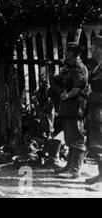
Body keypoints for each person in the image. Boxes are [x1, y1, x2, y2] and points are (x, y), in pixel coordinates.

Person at [54, 42, 89, 179]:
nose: (64, 53)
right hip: (69, 108)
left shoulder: (79, 68)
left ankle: (75, 170)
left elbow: (79, 87)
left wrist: (67, 95)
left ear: (72, 53)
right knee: (69, 137)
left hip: (77, 108)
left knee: (77, 138)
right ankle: (69, 166)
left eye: (67, 51)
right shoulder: (69, 67)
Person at [85, 35, 102, 191]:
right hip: (96, 112)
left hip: (100, 112)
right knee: (97, 146)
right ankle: (100, 175)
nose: (92, 50)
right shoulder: (98, 67)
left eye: (95, 48)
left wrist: (89, 96)